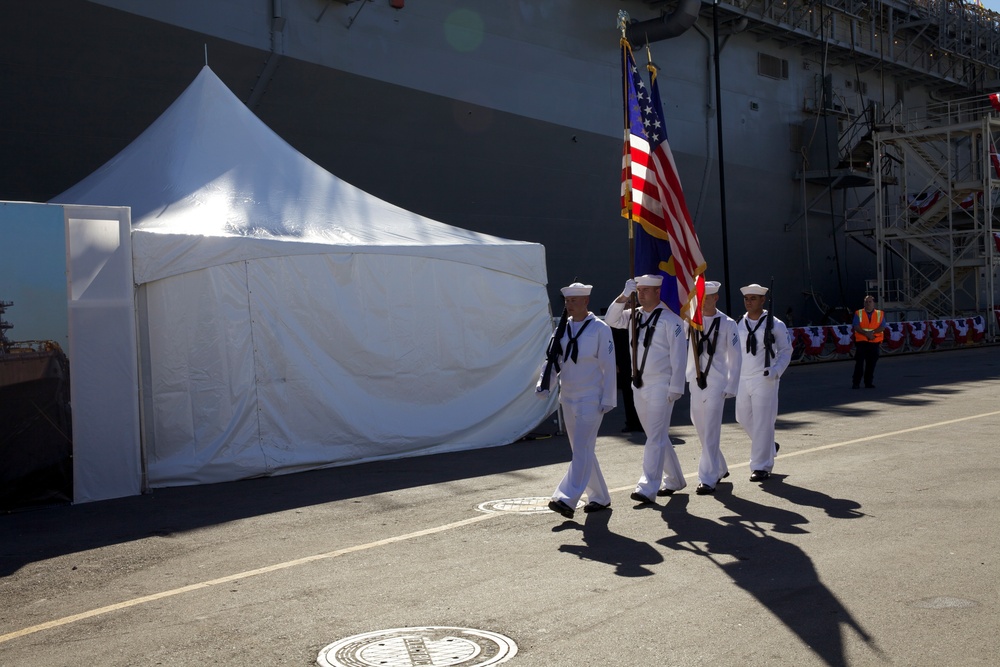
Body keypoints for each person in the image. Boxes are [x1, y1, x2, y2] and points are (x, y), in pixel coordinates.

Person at [536, 282, 617, 518]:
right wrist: (544, 384)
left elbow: (609, 366)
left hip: (591, 398)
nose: (569, 305)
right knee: (582, 450)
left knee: (581, 449)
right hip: (569, 397)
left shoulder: (600, 329)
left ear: (586, 302)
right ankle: (600, 497)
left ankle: (566, 498)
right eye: (567, 301)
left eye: (574, 301)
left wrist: (609, 397)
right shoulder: (562, 329)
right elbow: (553, 361)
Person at [606, 274, 687, 504]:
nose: (640, 294)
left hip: (662, 384)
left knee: (654, 437)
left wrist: (676, 387)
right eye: (638, 290)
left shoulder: (672, 320)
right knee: (656, 435)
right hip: (639, 383)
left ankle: (647, 486)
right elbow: (611, 320)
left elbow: (679, 357)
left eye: (645, 291)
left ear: (657, 292)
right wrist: (623, 296)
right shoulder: (633, 316)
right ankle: (675, 480)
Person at [687, 280, 741, 495]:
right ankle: (720, 466)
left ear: (715, 298)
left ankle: (707, 478)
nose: (701, 302)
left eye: (705, 297)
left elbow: (736, 358)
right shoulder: (691, 322)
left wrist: (732, 385)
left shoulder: (728, 324)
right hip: (695, 379)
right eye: (698, 297)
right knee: (700, 426)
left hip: (716, 381)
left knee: (710, 428)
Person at [736, 283, 792, 483]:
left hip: (765, 377)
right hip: (743, 378)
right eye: (746, 298)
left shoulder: (775, 324)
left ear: (763, 300)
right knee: (742, 417)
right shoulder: (738, 324)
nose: (748, 302)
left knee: (762, 422)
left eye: (753, 298)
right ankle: (769, 446)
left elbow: (786, 351)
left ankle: (760, 466)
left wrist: (776, 371)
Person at [611, 326, 642, 433]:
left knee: (641, 394)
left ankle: (642, 423)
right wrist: (615, 363)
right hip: (624, 362)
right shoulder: (617, 323)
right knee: (627, 395)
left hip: (639, 363)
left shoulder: (638, 318)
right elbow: (613, 344)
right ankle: (631, 422)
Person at [852, 295, 885, 389]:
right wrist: (866, 333)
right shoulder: (858, 313)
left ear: (873, 303)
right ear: (864, 303)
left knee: (871, 364)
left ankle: (868, 382)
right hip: (862, 341)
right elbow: (856, 326)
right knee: (859, 363)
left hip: (874, 341)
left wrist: (872, 333)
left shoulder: (880, 314)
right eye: (866, 302)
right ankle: (856, 383)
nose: (868, 303)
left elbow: (882, 327)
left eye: (870, 302)